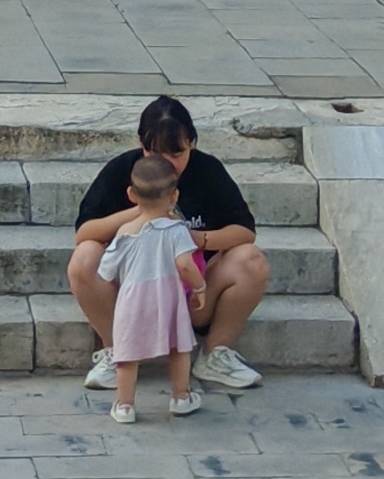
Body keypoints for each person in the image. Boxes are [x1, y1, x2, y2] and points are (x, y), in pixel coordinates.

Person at [69, 94, 268, 393]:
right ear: (141, 145)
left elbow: (244, 231)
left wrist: (196, 239)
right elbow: (85, 231)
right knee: (84, 257)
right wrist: (142, 210)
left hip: (190, 295)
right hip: (133, 298)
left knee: (251, 260)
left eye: (176, 154)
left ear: (192, 142)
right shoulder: (122, 170)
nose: (167, 165)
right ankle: (117, 351)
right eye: (155, 154)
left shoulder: (207, 171)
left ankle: (215, 354)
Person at [92, 152, 204, 424]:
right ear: (174, 196)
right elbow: (186, 265)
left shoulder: (125, 232)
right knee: (179, 349)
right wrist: (199, 288)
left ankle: (125, 405)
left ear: (131, 195)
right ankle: (180, 397)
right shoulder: (177, 231)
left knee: (128, 355)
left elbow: (106, 271)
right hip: (170, 299)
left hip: (133, 301)